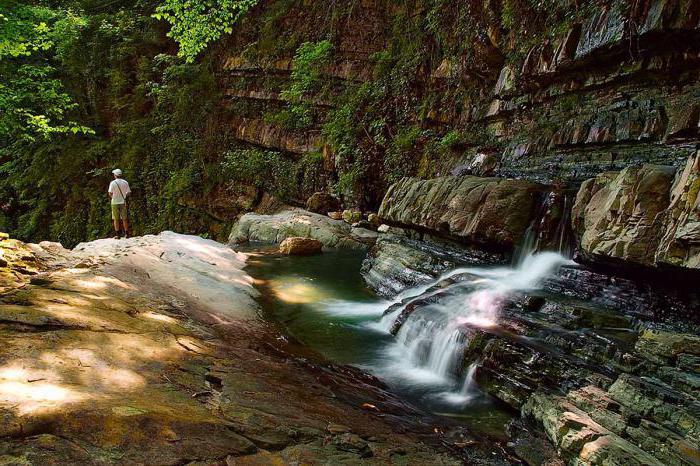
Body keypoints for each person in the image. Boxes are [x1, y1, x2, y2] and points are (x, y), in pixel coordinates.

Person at [108, 168, 131, 238]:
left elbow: (110, 193)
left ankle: (118, 234)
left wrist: (114, 197)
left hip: (114, 202)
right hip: (123, 202)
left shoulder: (112, 183)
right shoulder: (125, 182)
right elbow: (129, 193)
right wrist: (124, 196)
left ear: (115, 175)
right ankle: (127, 233)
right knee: (124, 218)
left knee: (116, 218)